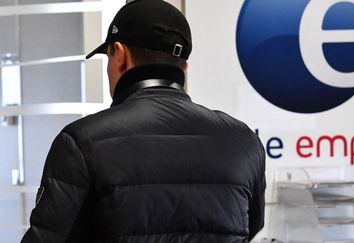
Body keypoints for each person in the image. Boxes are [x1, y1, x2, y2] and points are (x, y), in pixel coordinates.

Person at [21, 0, 266, 242]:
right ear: (184, 68)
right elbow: (250, 227)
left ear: (119, 55)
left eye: (107, 57)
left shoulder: (81, 142)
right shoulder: (244, 141)